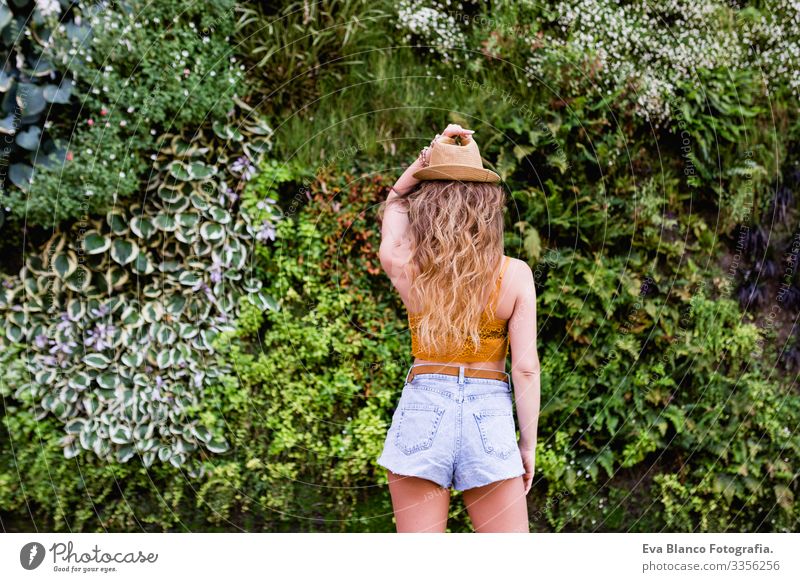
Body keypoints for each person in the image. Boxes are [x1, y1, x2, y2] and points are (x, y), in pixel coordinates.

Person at [376, 123, 541, 533]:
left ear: (428, 205)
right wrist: (527, 444)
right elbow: (524, 369)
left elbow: (395, 203)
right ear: (487, 208)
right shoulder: (515, 275)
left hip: (423, 406)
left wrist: (426, 160)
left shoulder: (409, 266)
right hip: (489, 416)